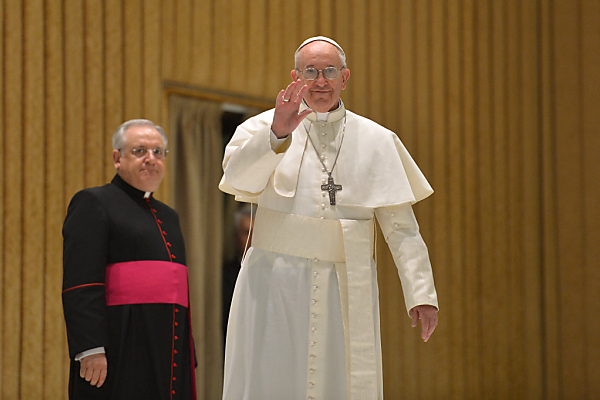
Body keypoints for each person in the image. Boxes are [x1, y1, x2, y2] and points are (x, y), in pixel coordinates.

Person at [218, 36, 439, 399]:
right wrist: (278, 134)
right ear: (295, 76)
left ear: (345, 77)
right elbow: (236, 182)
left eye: (330, 71)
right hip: (274, 279)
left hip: (345, 282)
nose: (320, 80)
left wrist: (421, 293)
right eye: (311, 71)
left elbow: (402, 229)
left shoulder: (378, 140)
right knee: (271, 376)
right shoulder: (262, 127)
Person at [62, 119, 197, 399]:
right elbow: (81, 281)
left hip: (168, 347)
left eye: (158, 152)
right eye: (139, 151)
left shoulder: (169, 216)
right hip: (120, 345)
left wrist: (186, 350)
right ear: (117, 158)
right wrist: (91, 348)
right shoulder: (93, 202)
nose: (151, 159)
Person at [221, 203, 255, 341]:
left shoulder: (276, 275)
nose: (251, 239)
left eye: (256, 232)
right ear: (236, 237)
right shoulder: (223, 276)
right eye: (246, 232)